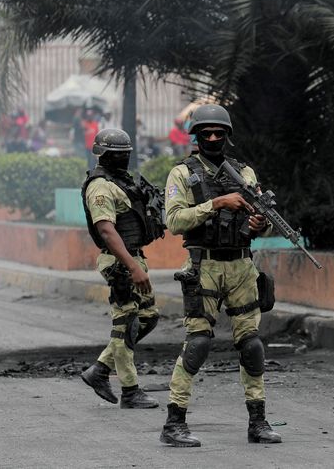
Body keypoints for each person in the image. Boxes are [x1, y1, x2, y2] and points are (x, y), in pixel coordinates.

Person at [159, 104, 282, 447]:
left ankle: (257, 421)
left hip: (242, 265)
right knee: (198, 343)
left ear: (228, 136)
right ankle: (174, 422)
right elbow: (174, 221)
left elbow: (260, 219)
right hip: (204, 266)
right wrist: (216, 204)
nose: (213, 138)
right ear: (195, 137)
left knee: (252, 345)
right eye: (206, 133)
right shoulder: (182, 174)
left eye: (219, 133)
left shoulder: (246, 173)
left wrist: (259, 223)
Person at [80, 128, 166, 409]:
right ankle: (130, 390)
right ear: (103, 155)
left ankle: (100, 370)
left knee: (148, 317)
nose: (124, 159)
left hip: (133, 258)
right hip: (120, 261)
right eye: (118, 155)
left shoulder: (120, 181)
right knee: (126, 321)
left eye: (126, 154)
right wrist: (132, 267)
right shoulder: (100, 186)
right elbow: (106, 230)